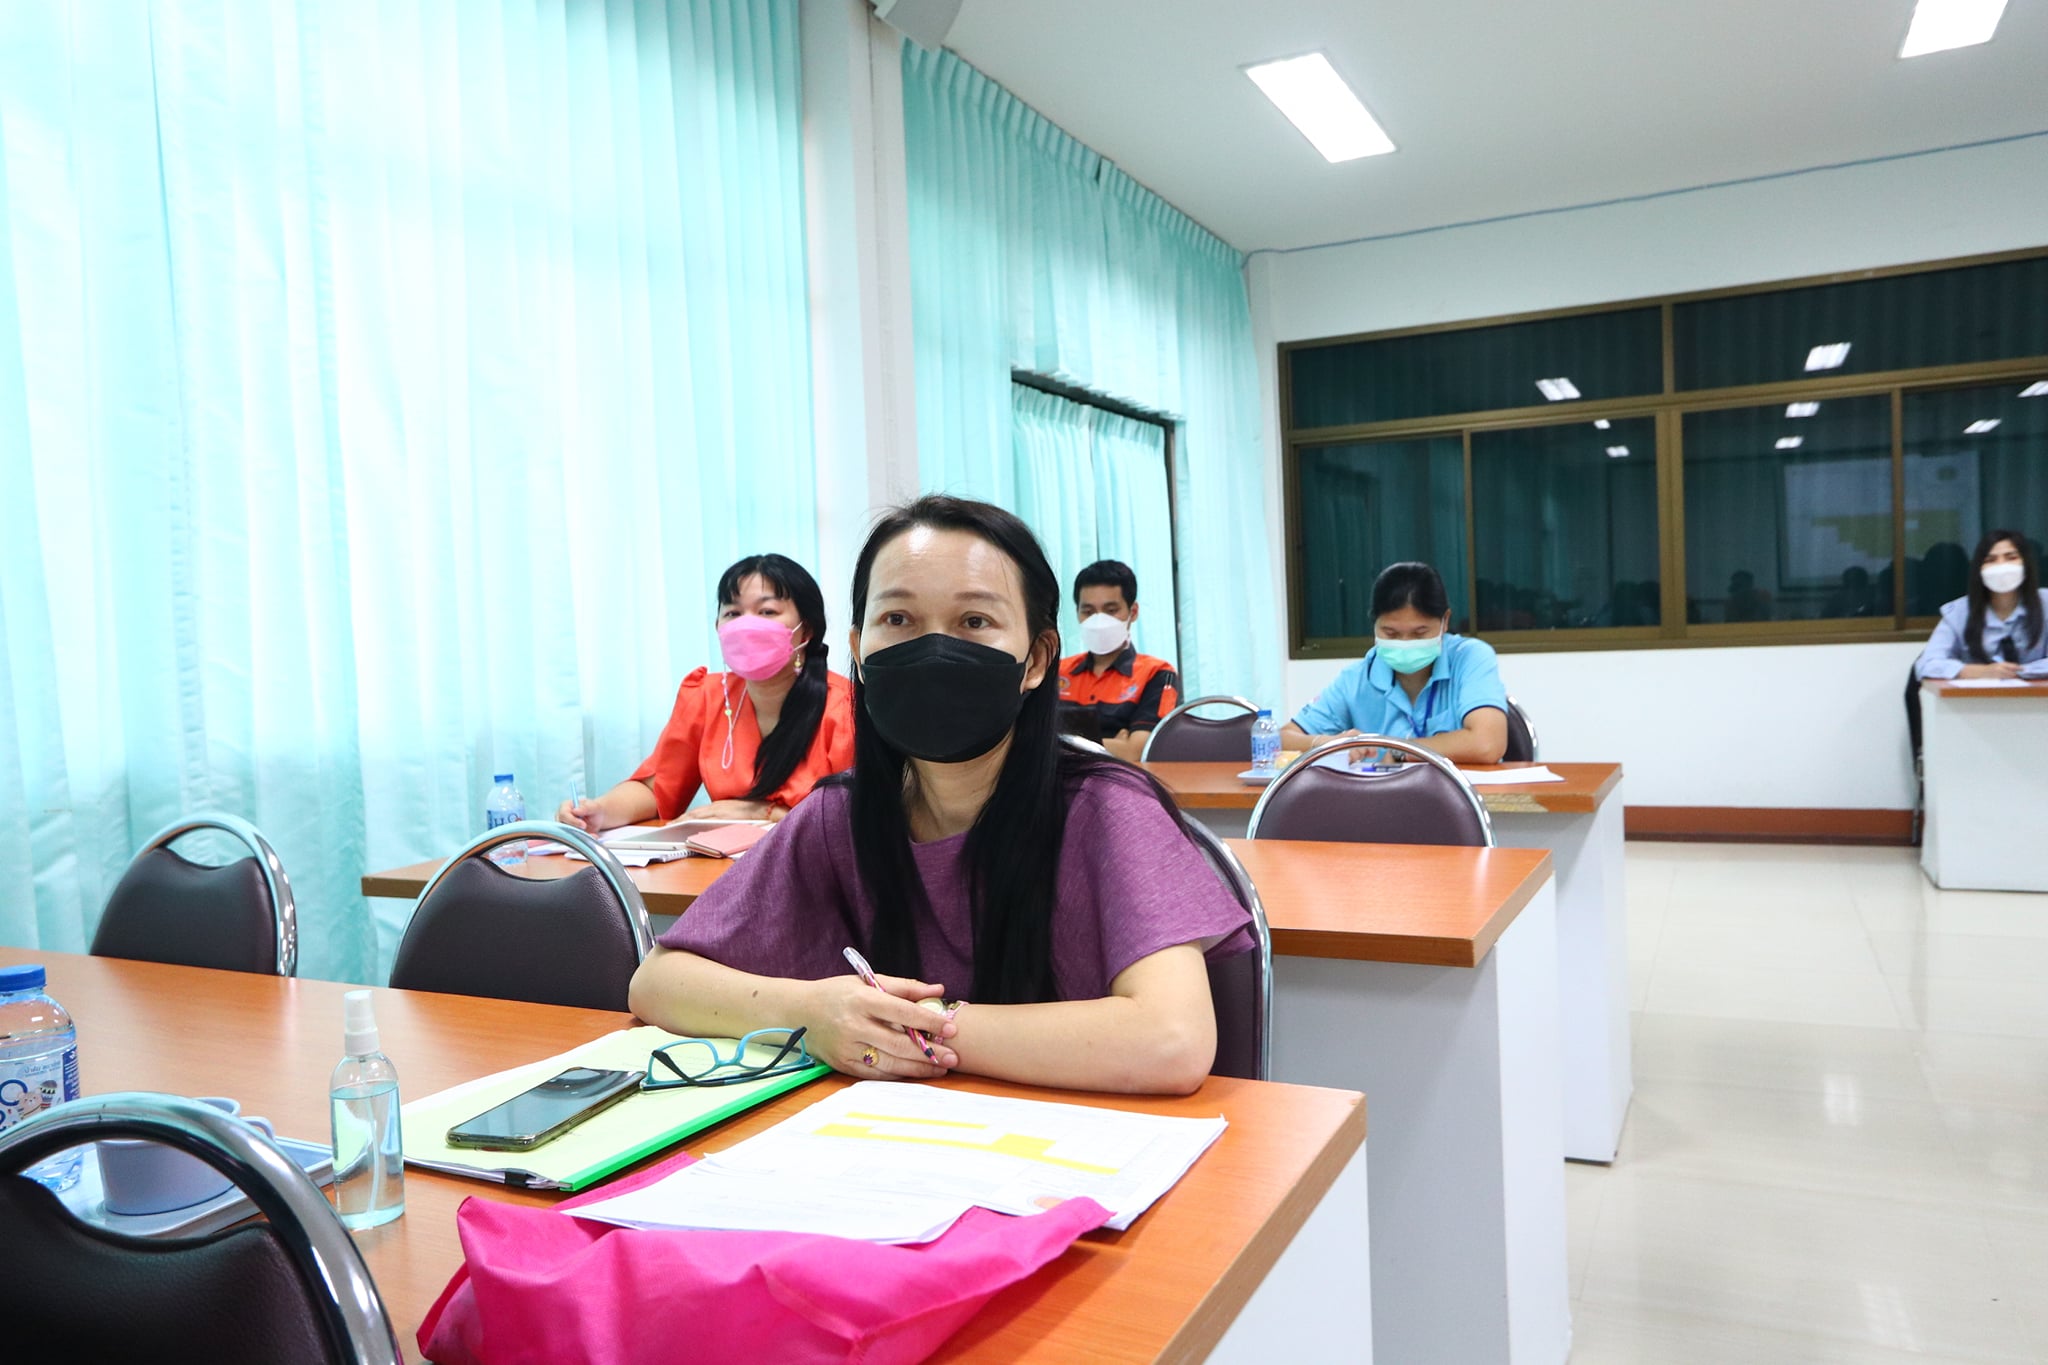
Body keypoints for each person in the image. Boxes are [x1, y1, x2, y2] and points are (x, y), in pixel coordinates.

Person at [627, 496, 1252, 1096]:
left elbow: (1172, 1040)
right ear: (858, 652)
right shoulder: (838, 816)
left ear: (1037, 660)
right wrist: (813, 1012)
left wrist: (909, 1029)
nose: (933, 649)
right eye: (897, 620)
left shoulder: (1109, 809)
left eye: (974, 622)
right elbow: (657, 983)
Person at [557, 555, 854, 831]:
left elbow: (854, 818)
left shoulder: (844, 707)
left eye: (767, 612)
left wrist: (765, 813)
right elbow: (656, 789)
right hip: (722, 860)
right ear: (718, 627)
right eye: (733, 613)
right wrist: (599, 811)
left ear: (807, 629)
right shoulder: (707, 697)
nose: (746, 625)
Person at [1282, 561, 1509, 763]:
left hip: (1460, 794)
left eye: (1419, 633)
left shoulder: (1470, 658)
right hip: (1382, 796)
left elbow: (1487, 744)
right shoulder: (1357, 679)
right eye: (1391, 633)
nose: (1405, 643)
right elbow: (1281, 740)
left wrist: (1401, 751)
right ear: (1374, 625)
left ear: (1445, 621)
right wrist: (1326, 744)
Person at [1055, 559, 1180, 762]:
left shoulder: (1157, 674)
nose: (1099, 620)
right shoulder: (1057, 671)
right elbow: (1029, 737)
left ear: (1133, 612)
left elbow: (1138, 752)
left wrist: (1059, 740)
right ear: (1077, 613)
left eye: (1111, 610)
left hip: (1121, 779)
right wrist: (1115, 744)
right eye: (1088, 612)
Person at [1914, 529, 2048, 680]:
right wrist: (1979, 672)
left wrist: (2021, 671)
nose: (2001, 566)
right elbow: (1927, 664)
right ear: (1979, 569)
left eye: (2011, 557)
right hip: (1977, 694)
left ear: (2026, 564)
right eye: (1991, 560)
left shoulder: (2045, 603)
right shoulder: (1959, 612)